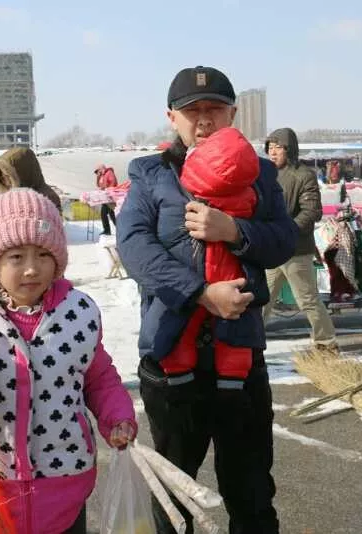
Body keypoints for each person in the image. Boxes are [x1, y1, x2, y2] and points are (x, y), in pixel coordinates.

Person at [116, 65, 297, 534]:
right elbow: (136, 248)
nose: (203, 120)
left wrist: (236, 232)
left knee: (252, 489)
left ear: (232, 113)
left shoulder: (258, 174)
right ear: (171, 117)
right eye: (191, 111)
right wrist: (201, 293)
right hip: (171, 360)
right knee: (174, 493)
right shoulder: (152, 174)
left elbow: (283, 239)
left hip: (241, 357)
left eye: (214, 109)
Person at [0, 187, 136, 533]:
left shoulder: (78, 313)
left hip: (65, 478)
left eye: (43, 255)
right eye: (16, 256)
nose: (31, 269)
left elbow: (99, 378)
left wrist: (117, 416)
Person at [262, 128, 338, 352]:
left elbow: (312, 211)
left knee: (307, 299)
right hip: (272, 249)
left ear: (289, 149)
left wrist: (287, 230)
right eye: (270, 148)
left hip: (295, 250)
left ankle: (326, 342)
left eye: (278, 147)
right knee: (262, 299)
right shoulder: (268, 174)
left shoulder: (303, 175)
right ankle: (251, 342)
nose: (273, 153)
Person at [0, 147, 62, 213]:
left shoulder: (47, 198)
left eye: (7, 175)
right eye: (1, 175)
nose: (3, 179)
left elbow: (52, 227)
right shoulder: (7, 198)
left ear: (22, 172)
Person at [95, 163, 118, 235]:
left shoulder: (109, 173)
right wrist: (98, 177)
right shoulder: (102, 175)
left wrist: (107, 189)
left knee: (104, 213)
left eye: (98, 171)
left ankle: (108, 230)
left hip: (109, 196)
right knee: (111, 213)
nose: (98, 172)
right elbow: (98, 185)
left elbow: (113, 182)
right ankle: (118, 229)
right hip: (105, 197)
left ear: (102, 169)